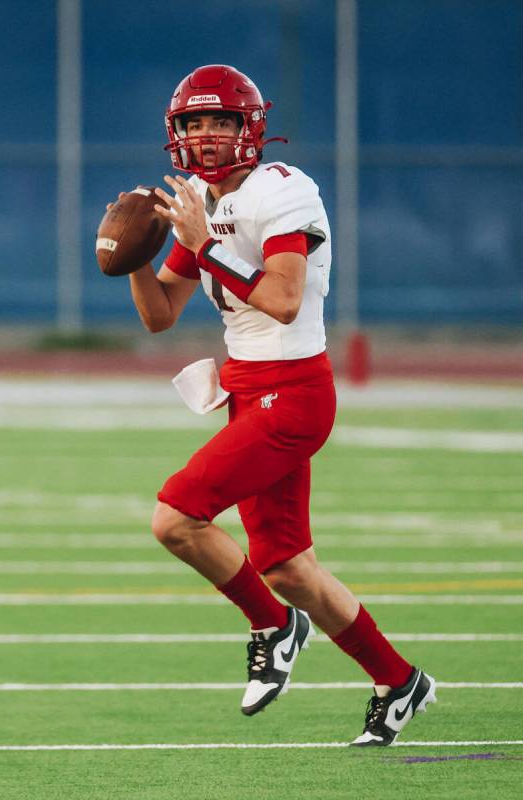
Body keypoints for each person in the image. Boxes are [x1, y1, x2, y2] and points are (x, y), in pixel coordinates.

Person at [117, 64, 436, 745]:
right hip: (245, 391)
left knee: (176, 516)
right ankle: (398, 679)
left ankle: (271, 624)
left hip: (293, 394)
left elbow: (285, 301)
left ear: (250, 128)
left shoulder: (284, 192)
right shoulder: (201, 196)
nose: (204, 135)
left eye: (219, 121)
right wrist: (135, 259)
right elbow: (161, 316)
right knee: (290, 566)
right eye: (192, 122)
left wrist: (204, 244)